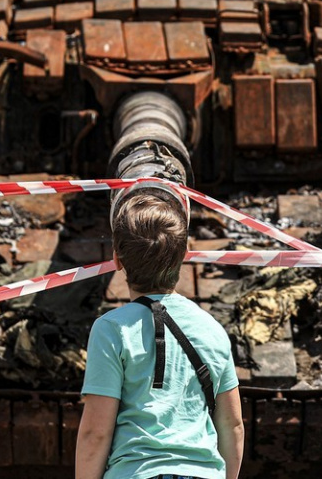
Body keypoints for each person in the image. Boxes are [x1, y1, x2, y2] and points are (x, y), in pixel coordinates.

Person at [76, 191, 244, 479]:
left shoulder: (111, 329)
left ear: (117, 259)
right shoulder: (212, 329)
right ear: (185, 255)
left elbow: (95, 433)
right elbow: (233, 426)